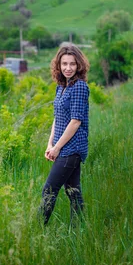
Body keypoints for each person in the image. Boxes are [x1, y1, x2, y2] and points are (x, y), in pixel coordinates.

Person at [41, 44, 90, 226]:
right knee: (73, 192)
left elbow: (75, 121)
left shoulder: (79, 87)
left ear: (79, 65)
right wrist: (50, 144)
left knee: (49, 190)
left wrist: (58, 148)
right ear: (58, 66)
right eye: (64, 64)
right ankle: (78, 232)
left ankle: (38, 228)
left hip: (72, 148)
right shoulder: (61, 87)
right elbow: (58, 118)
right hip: (61, 146)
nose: (68, 68)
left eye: (72, 64)